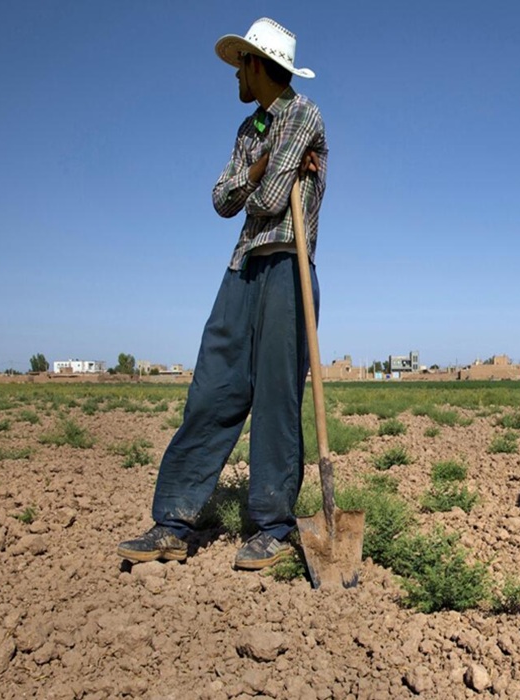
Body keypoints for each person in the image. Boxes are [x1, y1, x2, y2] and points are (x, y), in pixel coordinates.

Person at [118, 17, 328, 570]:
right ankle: (172, 522)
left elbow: (267, 200)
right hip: (241, 269)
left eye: (240, 64)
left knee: (278, 400)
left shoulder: (305, 114)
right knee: (213, 388)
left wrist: (256, 180)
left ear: (258, 65)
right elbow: (221, 199)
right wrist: (259, 167)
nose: (235, 74)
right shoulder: (248, 131)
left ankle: (274, 526)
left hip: (288, 267)